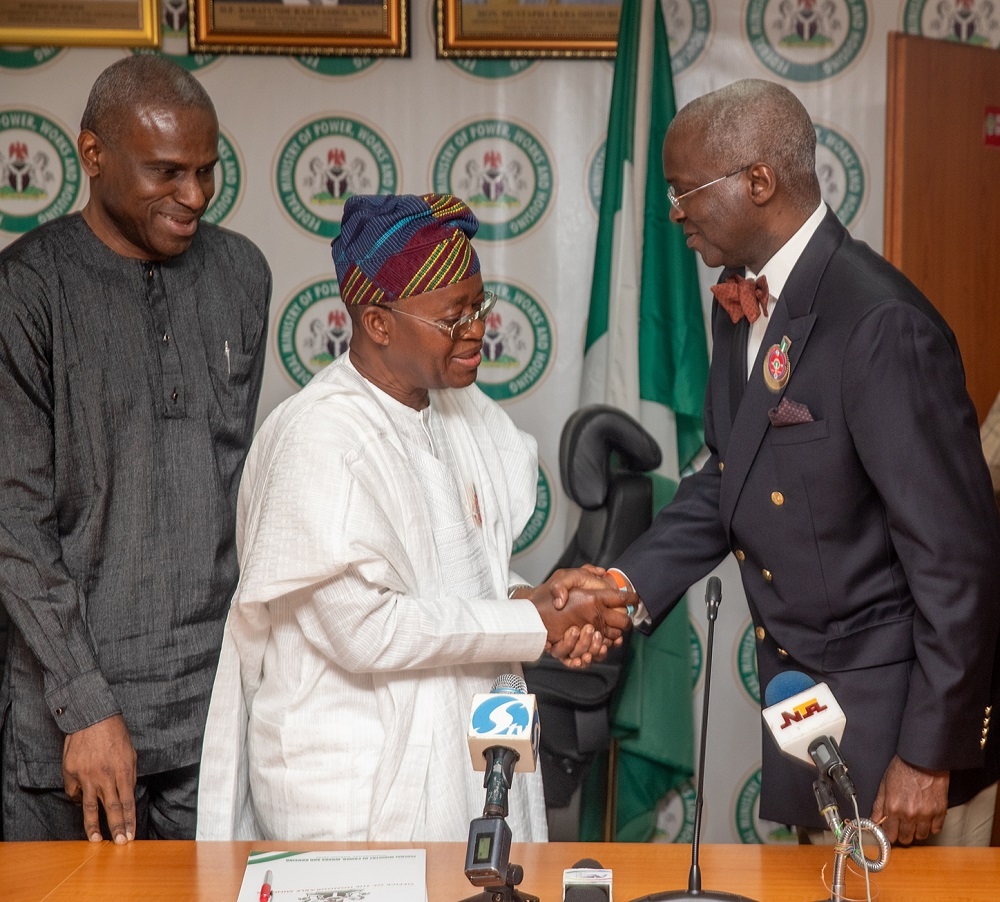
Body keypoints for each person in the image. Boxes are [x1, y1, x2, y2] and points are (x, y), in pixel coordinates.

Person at [605, 79, 1000, 845]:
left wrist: (927, 753)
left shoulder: (881, 324)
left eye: (686, 191)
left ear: (759, 181)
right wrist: (623, 587)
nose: (674, 211)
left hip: (902, 748)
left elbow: (958, 561)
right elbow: (731, 472)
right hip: (808, 714)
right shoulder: (739, 301)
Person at [196, 193, 630, 842]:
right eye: (453, 317)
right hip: (352, 792)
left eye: (479, 307)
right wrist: (531, 622)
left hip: (461, 764)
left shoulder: (463, 413)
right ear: (377, 322)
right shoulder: (319, 437)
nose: (478, 329)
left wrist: (536, 596)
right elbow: (363, 628)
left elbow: (458, 565)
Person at [0, 56, 271, 843]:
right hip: (70, 723)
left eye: (207, 171)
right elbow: (14, 522)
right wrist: (85, 703)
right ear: (92, 155)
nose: (193, 196)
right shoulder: (25, 292)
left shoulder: (241, 275)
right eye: (166, 172)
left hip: (212, 713)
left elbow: (230, 485)